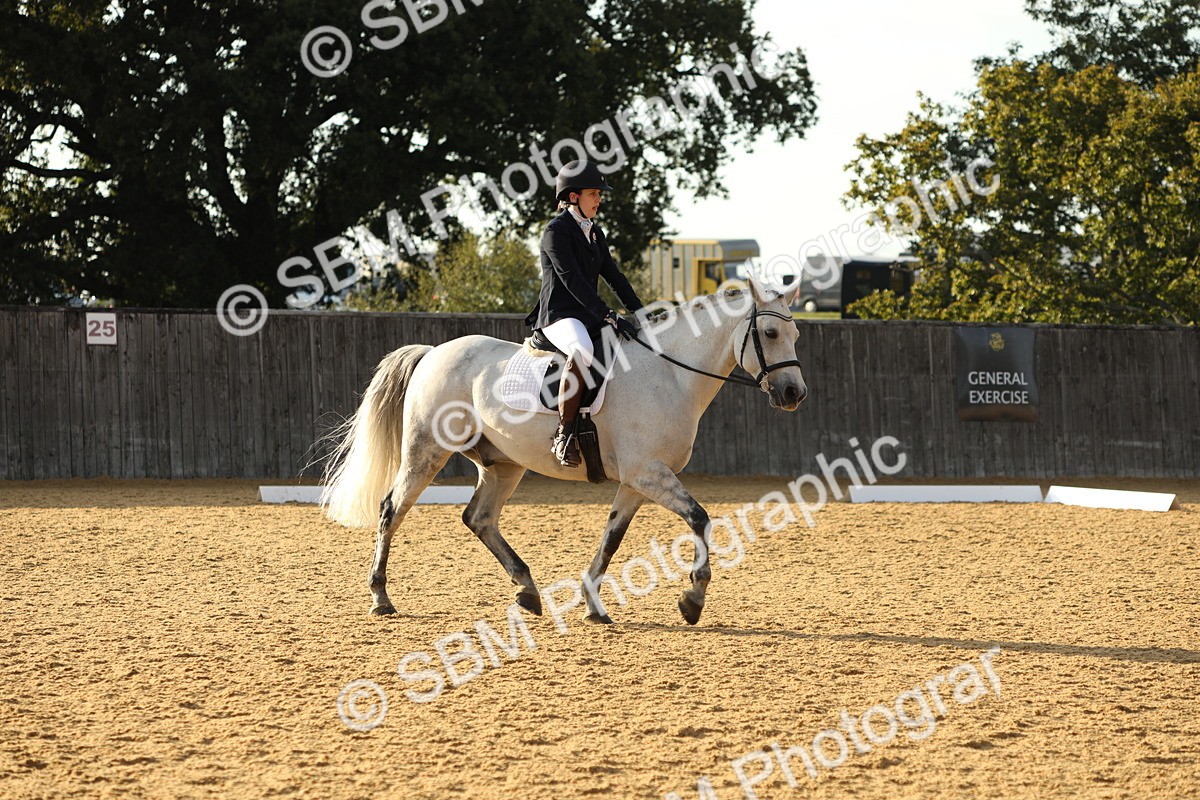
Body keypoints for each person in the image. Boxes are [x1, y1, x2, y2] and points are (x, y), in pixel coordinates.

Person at [524, 160, 645, 468]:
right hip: (558, 316)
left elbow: (614, 276)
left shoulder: (595, 233)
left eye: (599, 194)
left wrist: (641, 312)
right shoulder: (556, 232)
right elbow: (572, 280)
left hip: (586, 315)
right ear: (573, 196)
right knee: (583, 350)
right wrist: (608, 314)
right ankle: (563, 436)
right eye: (593, 193)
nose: (599, 199)